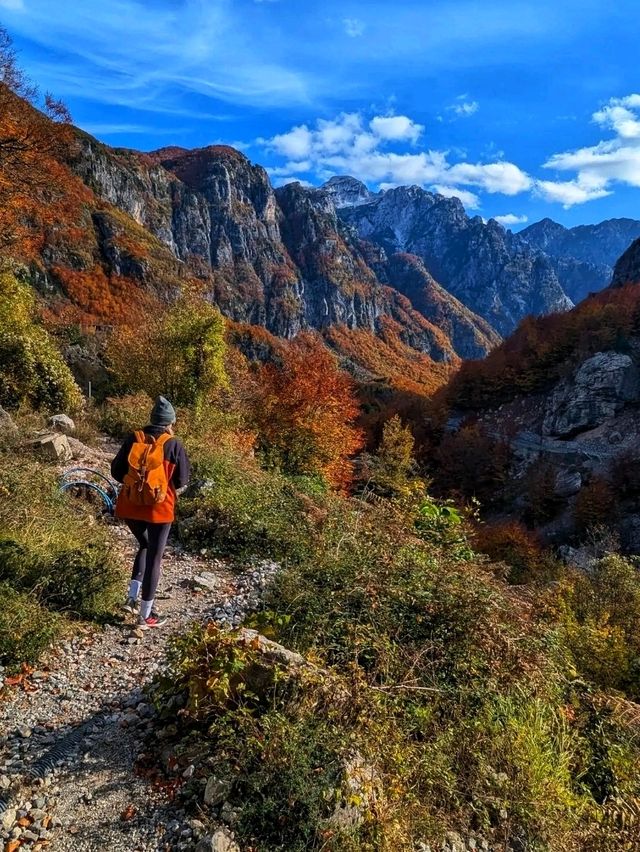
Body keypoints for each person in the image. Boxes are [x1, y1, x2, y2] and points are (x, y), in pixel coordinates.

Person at [110, 396, 190, 629]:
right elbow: (183, 479)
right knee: (155, 555)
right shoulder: (173, 444)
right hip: (159, 509)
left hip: (129, 505)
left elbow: (116, 471)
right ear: (168, 423)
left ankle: (132, 599)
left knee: (144, 545)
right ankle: (145, 616)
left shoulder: (134, 438)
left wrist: (136, 486)